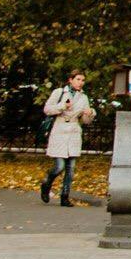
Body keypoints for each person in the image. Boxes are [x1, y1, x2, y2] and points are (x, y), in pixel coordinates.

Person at [40, 70, 93, 206]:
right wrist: (63, 106)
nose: (80, 82)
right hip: (60, 129)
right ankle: (47, 182)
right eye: (78, 79)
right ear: (70, 80)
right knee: (60, 166)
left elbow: (86, 121)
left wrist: (90, 113)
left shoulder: (84, 97)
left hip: (74, 131)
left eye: (82, 80)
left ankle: (65, 196)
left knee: (71, 168)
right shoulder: (59, 92)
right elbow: (47, 109)